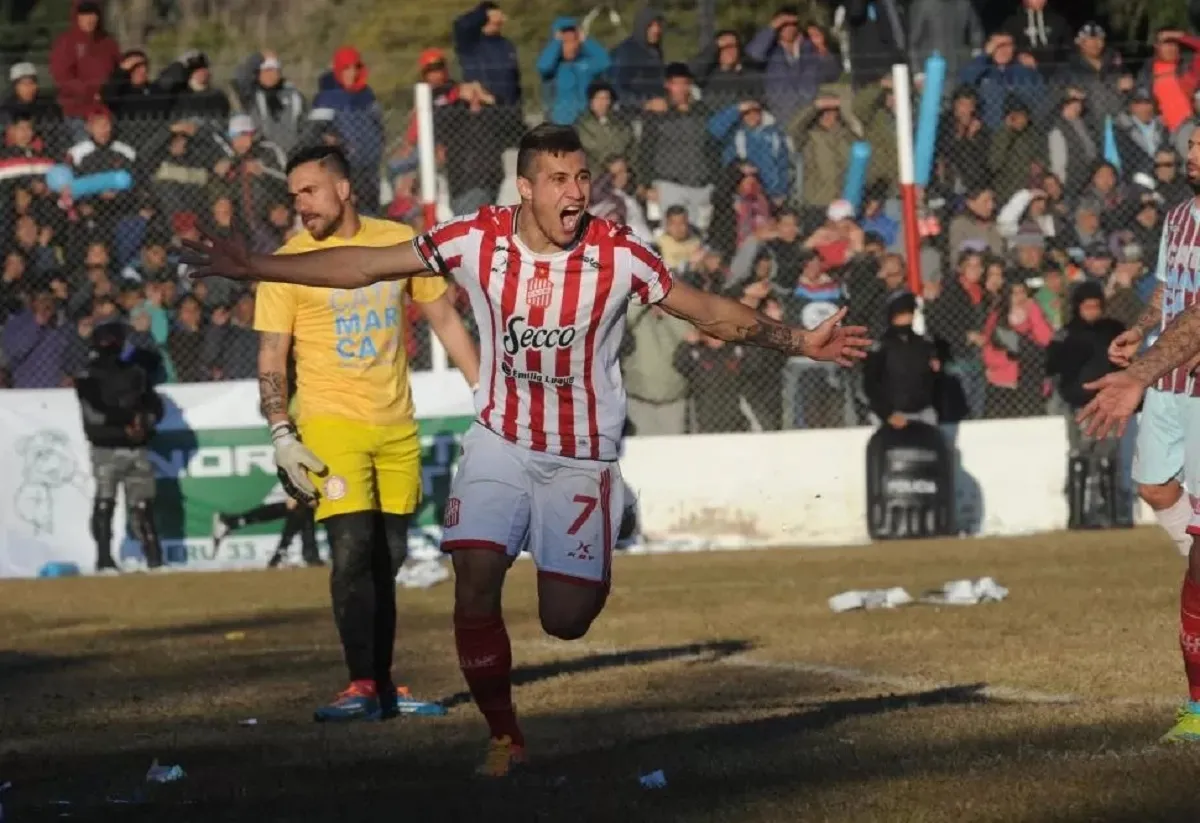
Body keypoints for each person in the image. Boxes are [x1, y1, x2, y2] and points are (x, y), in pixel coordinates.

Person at [181, 123, 871, 775]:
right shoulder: (476, 237)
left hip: (582, 454)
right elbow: (365, 265)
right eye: (559, 178)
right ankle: (505, 735)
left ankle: (611, 508)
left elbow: (707, 310)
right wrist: (259, 266)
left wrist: (798, 341)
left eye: (583, 177)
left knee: (565, 622)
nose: (576, 192)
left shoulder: (618, 252)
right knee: (474, 576)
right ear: (527, 189)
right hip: (501, 440)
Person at [251, 144, 480, 723]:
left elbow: (446, 319)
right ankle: (361, 684)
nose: (299, 204)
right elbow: (272, 354)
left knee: (389, 556)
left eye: (310, 191)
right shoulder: (286, 264)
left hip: (396, 424)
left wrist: (489, 394)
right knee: (352, 551)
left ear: (344, 188)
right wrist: (282, 431)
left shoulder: (397, 242)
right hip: (328, 425)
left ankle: (379, 683)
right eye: (293, 194)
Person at [1078, 129, 1200, 741]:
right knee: (1153, 487)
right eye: (1193, 146)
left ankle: (1198, 706)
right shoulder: (1179, 217)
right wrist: (1140, 330)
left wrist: (1138, 372)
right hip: (1168, 381)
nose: (1195, 157)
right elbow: (1171, 291)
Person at [72, 320, 165, 574]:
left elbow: (96, 414)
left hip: (116, 446)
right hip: (119, 445)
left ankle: (130, 559)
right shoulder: (100, 375)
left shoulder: (120, 373)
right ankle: (133, 559)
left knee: (118, 502)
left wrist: (141, 422)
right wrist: (135, 422)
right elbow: (96, 415)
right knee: (129, 502)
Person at [1045, 281, 1127, 529]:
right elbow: (1052, 366)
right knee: (1080, 454)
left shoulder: (1112, 331)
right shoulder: (1066, 335)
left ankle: (1112, 514)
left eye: (1096, 307)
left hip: (1110, 404)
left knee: (1108, 456)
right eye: (1087, 307)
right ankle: (1078, 516)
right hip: (1080, 405)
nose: (1092, 312)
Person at [211, 495, 322, 568]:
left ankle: (230, 522)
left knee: (303, 509)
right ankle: (285, 556)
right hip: (293, 482)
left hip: (298, 484)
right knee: (299, 508)